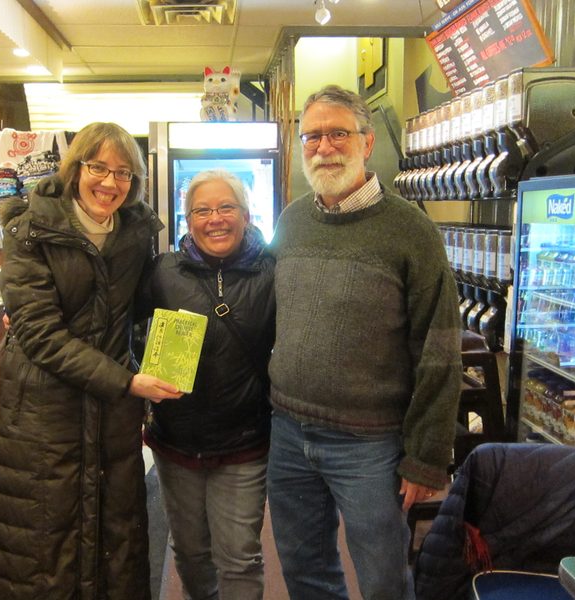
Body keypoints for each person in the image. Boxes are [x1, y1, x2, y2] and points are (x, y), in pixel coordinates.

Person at [266, 84, 463, 600]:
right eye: (312, 136)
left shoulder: (411, 232)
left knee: (382, 581)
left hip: (369, 445)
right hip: (288, 432)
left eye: (337, 133)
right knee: (304, 569)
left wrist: (426, 456)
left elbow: (440, 352)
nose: (324, 146)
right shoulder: (291, 221)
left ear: (367, 142)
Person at [0, 122, 182, 600]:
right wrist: (127, 383)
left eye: (123, 173)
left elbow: (138, 312)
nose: (110, 183)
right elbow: (41, 335)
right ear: (76, 168)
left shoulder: (134, 233)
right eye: (99, 168)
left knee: (115, 534)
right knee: (45, 540)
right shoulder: (30, 227)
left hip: (111, 415)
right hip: (44, 411)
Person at [137, 169, 275, 600]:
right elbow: (112, 320)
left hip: (245, 442)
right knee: (192, 553)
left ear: (247, 214)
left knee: (239, 557)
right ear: (187, 219)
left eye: (226, 207)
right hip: (176, 441)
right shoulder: (162, 272)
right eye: (202, 210)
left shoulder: (274, 272)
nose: (215, 218)